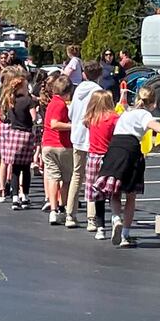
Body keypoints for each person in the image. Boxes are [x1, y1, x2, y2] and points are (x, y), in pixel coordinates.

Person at [93, 87, 160, 247]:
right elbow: (152, 125)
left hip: (114, 148)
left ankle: (116, 218)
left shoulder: (126, 113)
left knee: (115, 192)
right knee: (130, 195)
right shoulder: (145, 114)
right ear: (152, 103)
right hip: (131, 149)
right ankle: (125, 234)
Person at [66, 60, 104, 230]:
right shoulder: (99, 92)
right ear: (100, 75)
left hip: (77, 137)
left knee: (77, 175)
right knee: (92, 179)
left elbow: (70, 113)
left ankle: (70, 214)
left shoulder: (77, 90)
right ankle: (91, 218)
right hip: (93, 138)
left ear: (83, 74)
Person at [83, 90, 119, 240]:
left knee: (97, 194)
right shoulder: (113, 118)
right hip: (109, 157)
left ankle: (100, 227)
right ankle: (116, 217)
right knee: (113, 191)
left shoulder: (91, 118)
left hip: (93, 158)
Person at [0, 75, 38, 210]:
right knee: (26, 168)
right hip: (26, 134)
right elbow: (34, 118)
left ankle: (14, 198)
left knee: (15, 168)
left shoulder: (11, 100)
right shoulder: (29, 101)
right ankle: (25, 196)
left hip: (13, 134)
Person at [40, 75, 74, 224]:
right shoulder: (60, 104)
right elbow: (55, 124)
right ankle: (63, 208)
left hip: (47, 144)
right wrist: (73, 126)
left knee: (53, 177)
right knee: (67, 179)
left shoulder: (52, 102)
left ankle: (54, 210)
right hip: (61, 145)